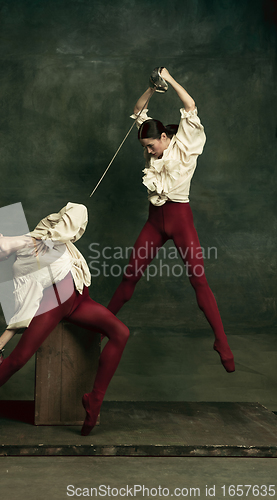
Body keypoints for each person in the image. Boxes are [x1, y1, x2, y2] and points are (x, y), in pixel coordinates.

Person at [0, 202, 129, 436]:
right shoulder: (20, 269)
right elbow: (23, 311)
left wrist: (50, 237)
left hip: (79, 299)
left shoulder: (45, 228)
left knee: (121, 333)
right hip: (53, 305)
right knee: (17, 360)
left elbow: (79, 210)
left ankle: (94, 399)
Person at [107, 68, 235, 373]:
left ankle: (222, 342)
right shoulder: (152, 142)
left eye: (152, 145)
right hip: (155, 222)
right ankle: (98, 329)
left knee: (198, 280)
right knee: (129, 277)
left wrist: (170, 77)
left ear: (165, 137)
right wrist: (153, 87)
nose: (149, 152)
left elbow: (190, 106)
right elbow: (138, 111)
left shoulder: (185, 145)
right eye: (145, 148)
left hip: (180, 219)